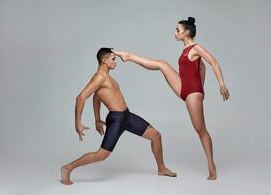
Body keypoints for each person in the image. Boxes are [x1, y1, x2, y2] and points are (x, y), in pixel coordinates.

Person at [113, 17, 230, 180]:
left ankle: (212, 166)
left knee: (200, 130)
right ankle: (128, 56)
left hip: (192, 93)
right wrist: (200, 86)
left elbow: (213, 63)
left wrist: (220, 85)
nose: (175, 33)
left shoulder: (196, 48)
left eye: (178, 30)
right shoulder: (185, 51)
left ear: (187, 32)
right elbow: (201, 68)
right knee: (162, 64)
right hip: (184, 87)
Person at [61, 48, 176, 185]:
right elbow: (81, 97)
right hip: (116, 120)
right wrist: (77, 123)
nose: (115, 62)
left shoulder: (106, 77)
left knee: (156, 136)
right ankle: (67, 168)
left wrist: (97, 119)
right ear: (104, 60)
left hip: (127, 116)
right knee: (101, 155)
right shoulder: (100, 77)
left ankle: (161, 168)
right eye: (113, 59)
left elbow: (97, 97)